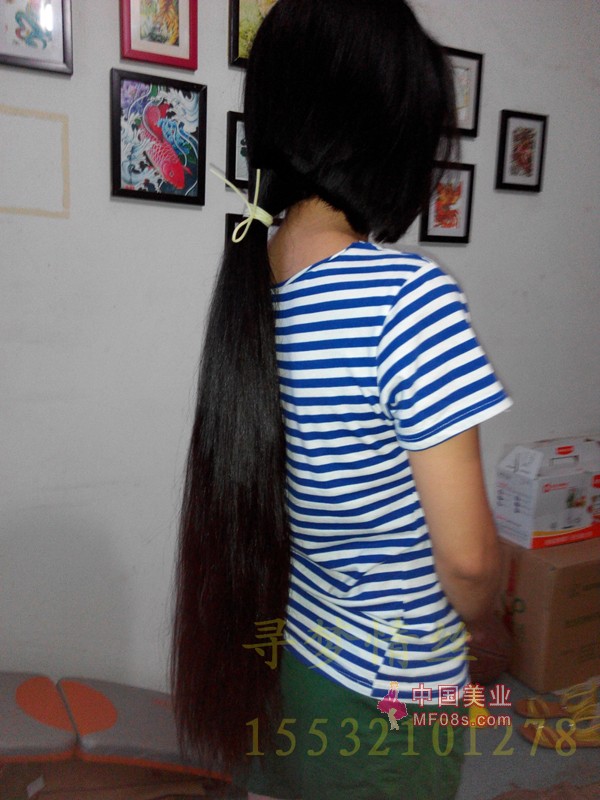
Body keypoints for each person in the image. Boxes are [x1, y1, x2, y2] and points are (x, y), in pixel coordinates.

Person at [171, 1, 512, 798]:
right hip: (390, 692)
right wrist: (489, 622)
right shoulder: (406, 296)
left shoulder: (259, 281)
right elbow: (468, 561)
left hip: (290, 661)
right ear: (388, 133)